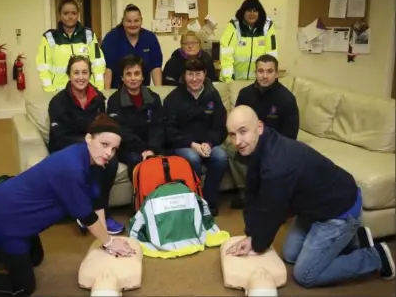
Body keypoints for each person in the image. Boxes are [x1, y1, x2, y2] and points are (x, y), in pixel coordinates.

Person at [0, 114, 136, 296]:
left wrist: (107, 241)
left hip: (21, 214)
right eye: (104, 144)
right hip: (5, 219)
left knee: (34, 257)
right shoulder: (71, 167)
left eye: (113, 148)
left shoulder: (92, 161)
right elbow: (86, 216)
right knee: (22, 287)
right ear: (88, 138)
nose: (108, 153)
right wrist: (109, 242)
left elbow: (97, 202)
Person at [225, 105, 395, 288]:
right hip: (313, 207)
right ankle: (355, 241)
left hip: (339, 210)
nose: (237, 141)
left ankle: (376, 256)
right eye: (232, 134)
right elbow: (251, 193)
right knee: (290, 255)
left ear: (259, 126)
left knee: (305, 274)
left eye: (243, 131)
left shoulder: (276, 163)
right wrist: (251, 234)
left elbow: (272, 211)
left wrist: (256, 243)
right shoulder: (261, 143)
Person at [48, 55, 124, 234]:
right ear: (69, 75)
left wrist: (101, 146)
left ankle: (102, 212)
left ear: (90, 74)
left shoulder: (98, 99)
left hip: (93, 146)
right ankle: (86, 215)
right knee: (93, 163)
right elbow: (59, 136)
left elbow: (103, 129)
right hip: (67, 147)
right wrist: (89, 145)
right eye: (76, 73)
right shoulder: (58, 102)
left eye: (84, 72)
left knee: (110, 161)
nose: (80, 77)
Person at [228, 54, 299, 209]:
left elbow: (290, 134)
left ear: (276, 73)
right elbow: (237, 123)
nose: (264, 76)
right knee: (229, 149)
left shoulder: (286, 98)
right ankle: (247, 193)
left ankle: (265, 197)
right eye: (260, 71)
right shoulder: (245, 94)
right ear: (255, 72)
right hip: (249, 141)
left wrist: (268, 148)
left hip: (275, 145)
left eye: (269, 71)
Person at [163, 58, 228, 216]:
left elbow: (220, 125)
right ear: (184, 76)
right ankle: (194, 202)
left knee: (221, 157)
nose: (194, 79)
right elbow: (169, 130)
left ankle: (209, 202)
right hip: (183, 145)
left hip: (207, 144)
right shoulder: (173, 98)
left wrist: (209, 143)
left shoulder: (212, 94)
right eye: (190, 74)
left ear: (205, 74)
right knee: (192, 158)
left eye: (198, 74)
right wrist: (192, 144)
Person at [107, 54, 165, 180]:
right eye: (128, 74)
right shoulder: (114, 101)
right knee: (136, 159)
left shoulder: (153, 98)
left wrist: (151, 150)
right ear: (122, 77)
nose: (133, 78)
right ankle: (139, 198)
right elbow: (121, 131)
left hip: (151, 147)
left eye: (137, 73)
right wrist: (143, 149)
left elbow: (158, 127)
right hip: (127, 149)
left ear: (143, 76)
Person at [35, 0, 106, 92]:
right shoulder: (49, 37)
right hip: (59, 93)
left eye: (73, 13)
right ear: (59, 15)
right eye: (66, 13)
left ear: (78, 14)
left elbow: (98, 64)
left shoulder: (88, 35)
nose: (70, 16)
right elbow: (44, 68)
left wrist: (98, 89)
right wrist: (49, 91)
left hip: (86, 92)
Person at [101, 4, 163, 89]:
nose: (133, 24)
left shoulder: (150, 38)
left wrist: (159, 91)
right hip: (117, 91)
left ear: (141, 21)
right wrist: (106, 95)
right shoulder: (111, 38)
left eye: (136, 21)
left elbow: (156, 67)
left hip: (143, 91)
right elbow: (107, 69)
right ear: (123, 22)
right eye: (129, 21)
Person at [220, 0, 277, 82]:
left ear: (259, 12)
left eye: (255, 11)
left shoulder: (267, 27)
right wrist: (229, 79)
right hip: (234, 80)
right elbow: (226, 54)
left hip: (258, 81)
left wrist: (271, 78)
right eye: (249, 10)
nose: (252, 14)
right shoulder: (234, 26)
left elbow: (271, 54)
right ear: (243, 12)